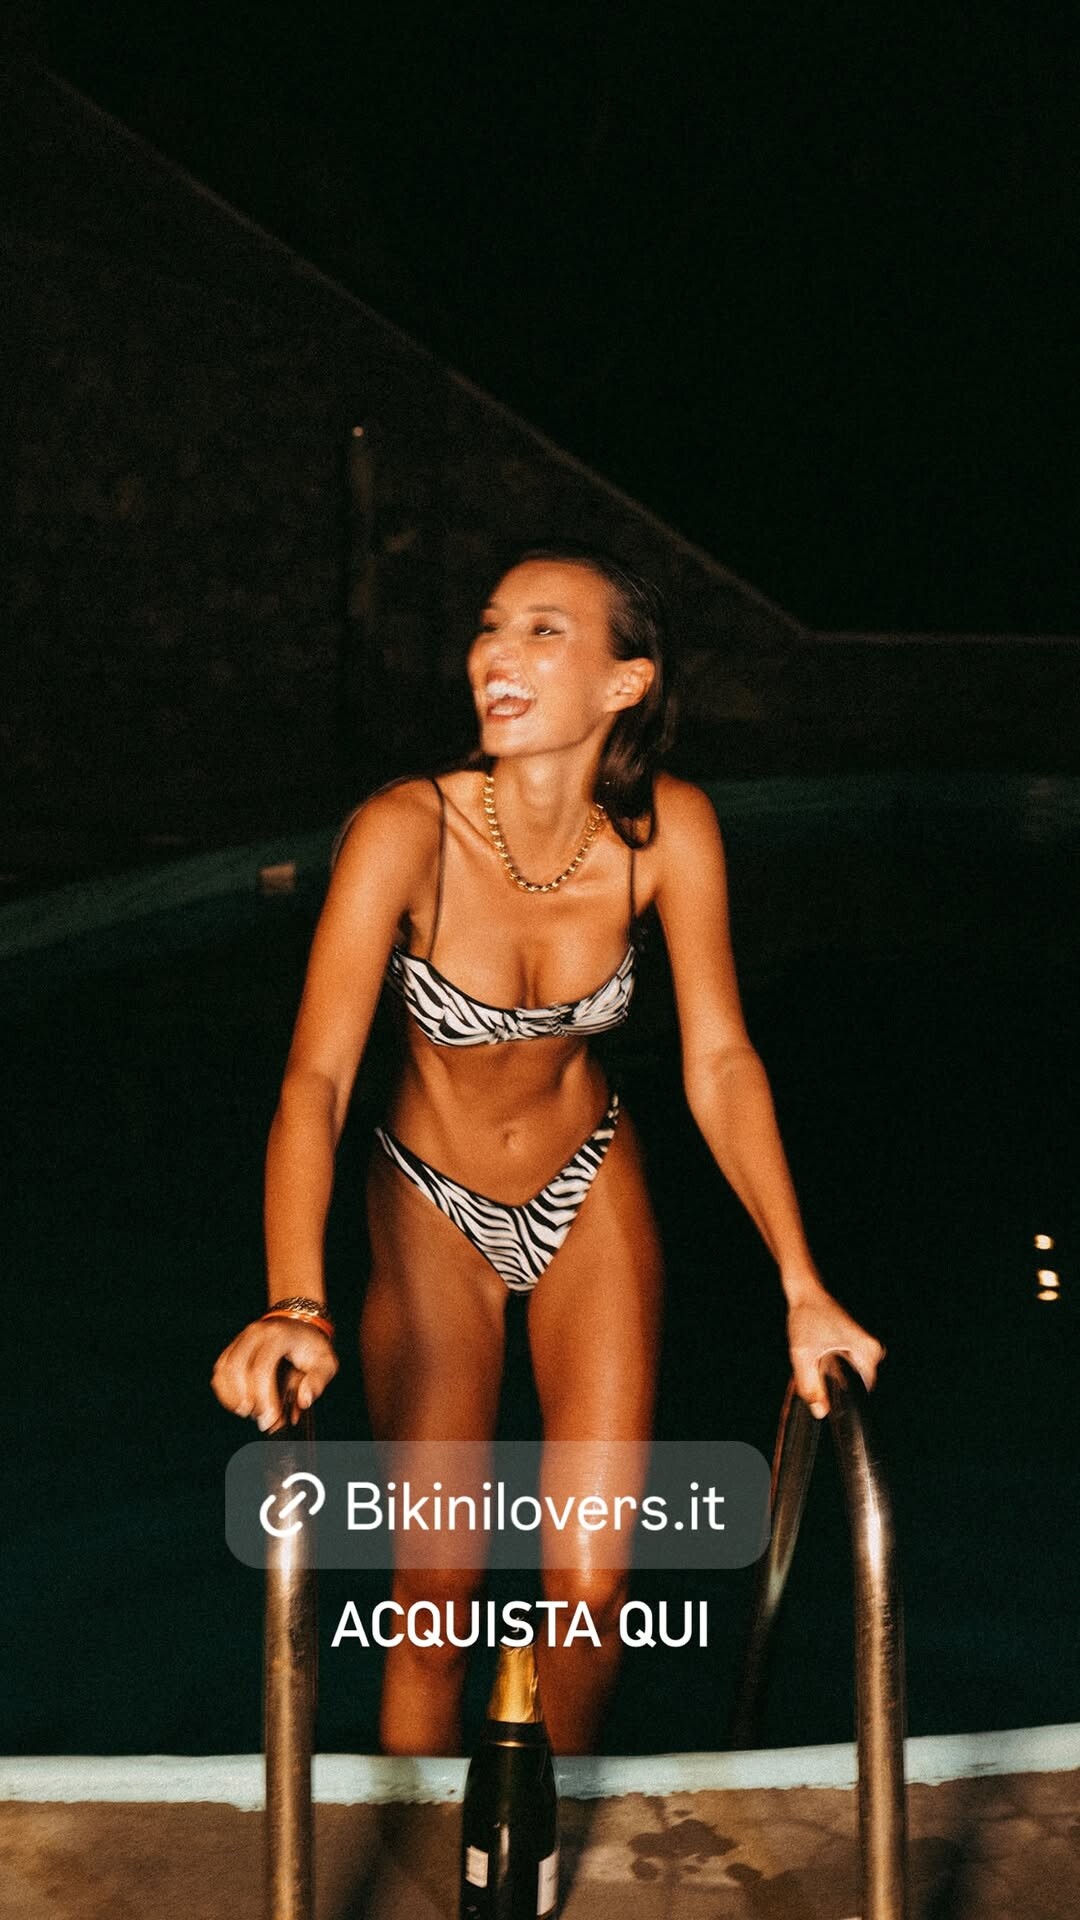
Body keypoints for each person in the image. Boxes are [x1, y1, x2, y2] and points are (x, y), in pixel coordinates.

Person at [211, 543, 885, 1755]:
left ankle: (529, 1841)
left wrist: (803, 1283)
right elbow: (315, 1081)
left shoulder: (668, 831)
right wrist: (294, 1301)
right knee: (434, 1600)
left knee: (592, 1594)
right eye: (490, 626)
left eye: (541, 630)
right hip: (429, 1199)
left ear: (626, 682)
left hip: (587, 1185)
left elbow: (721, 1060)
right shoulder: (405, 831)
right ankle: (422, 1842)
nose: (495, 654)